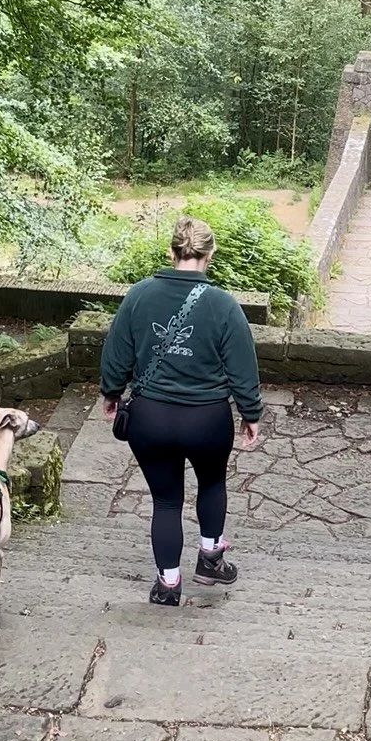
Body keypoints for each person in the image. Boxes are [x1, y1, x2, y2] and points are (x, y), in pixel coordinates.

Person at [100, 215, 262, 606]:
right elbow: (243, 368)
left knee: (166, 500)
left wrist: (111, 393)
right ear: (210, 254)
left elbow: (116, 353)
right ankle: (210, 559)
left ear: (172, 252)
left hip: (150, 418)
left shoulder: (139, 295)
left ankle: (168, 585)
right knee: (212, 483)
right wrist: (250, 414)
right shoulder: (224, 305)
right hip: (207, 419)